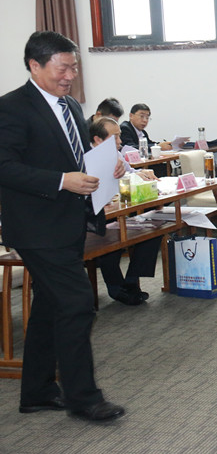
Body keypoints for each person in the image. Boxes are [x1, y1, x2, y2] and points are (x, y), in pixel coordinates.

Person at [0, 31, 126, 421]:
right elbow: (5, 167)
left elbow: (75, 155)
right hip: (35, 226)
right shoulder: (11, 108)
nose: (71, 75)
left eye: (74, 67)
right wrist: (60, 180)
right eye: (63, 68)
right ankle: (83, 398)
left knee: (49, 307)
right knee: (76, 304)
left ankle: (37, 392)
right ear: (34, 65)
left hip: (68, 222)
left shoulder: (70, 105)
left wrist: (109, 164)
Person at [89, 117, 161, 306]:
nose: (120, 142)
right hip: (96, 216)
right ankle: (115, 287)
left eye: (120, 136)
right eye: (115, 137)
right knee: (110, 235)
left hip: (121, 209)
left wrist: (140, 173)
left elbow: (129, 172)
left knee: (154, 227)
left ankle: (131, 279)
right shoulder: (86, 158)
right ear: (98, 139)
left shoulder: (116, 155)